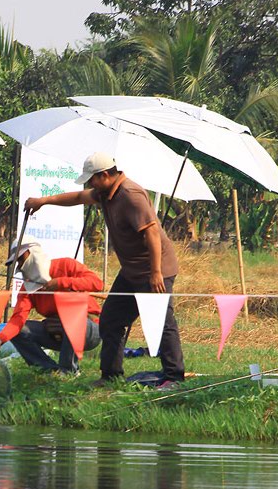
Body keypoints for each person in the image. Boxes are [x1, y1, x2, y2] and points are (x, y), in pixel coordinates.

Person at [25, 152, 184, 388]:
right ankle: (110, 376)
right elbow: (78, 197)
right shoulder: (106, 193)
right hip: (131, 271)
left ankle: (174, 377)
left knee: (161, 321)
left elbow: (151, 232)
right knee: (110, 319)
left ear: (106, 175)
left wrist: (156, 272)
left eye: (92, 179)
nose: (90, 185)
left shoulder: (131, 195)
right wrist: (44, 201)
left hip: (154, 269)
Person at [0, 239, 101, 374]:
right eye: (18, 262)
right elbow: (18, 319)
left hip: (90, 329)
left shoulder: (66, 265)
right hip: (58, 333)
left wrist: (62, 282)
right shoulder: (27, 287)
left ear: (33, 253)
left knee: (74, 320)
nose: (20, 266)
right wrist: (0, 338)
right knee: (20, 331)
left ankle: (68, 372)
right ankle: (49, 371)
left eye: (21, 259)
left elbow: (97, 284)